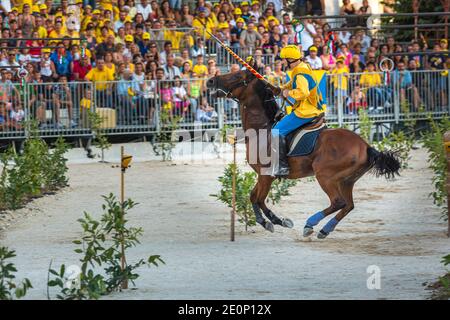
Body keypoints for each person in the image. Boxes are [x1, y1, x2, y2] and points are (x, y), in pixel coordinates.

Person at [271, 45, 326, 177]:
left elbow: (303, 92)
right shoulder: (301, 67)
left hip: (306, 111)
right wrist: (281, 88)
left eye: (284, 59)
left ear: (290, 59)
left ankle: (281, 167)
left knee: (276, 131)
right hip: (311, 108)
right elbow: (293, 83)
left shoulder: (300, 73)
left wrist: (288, 93)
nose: (283, 62)